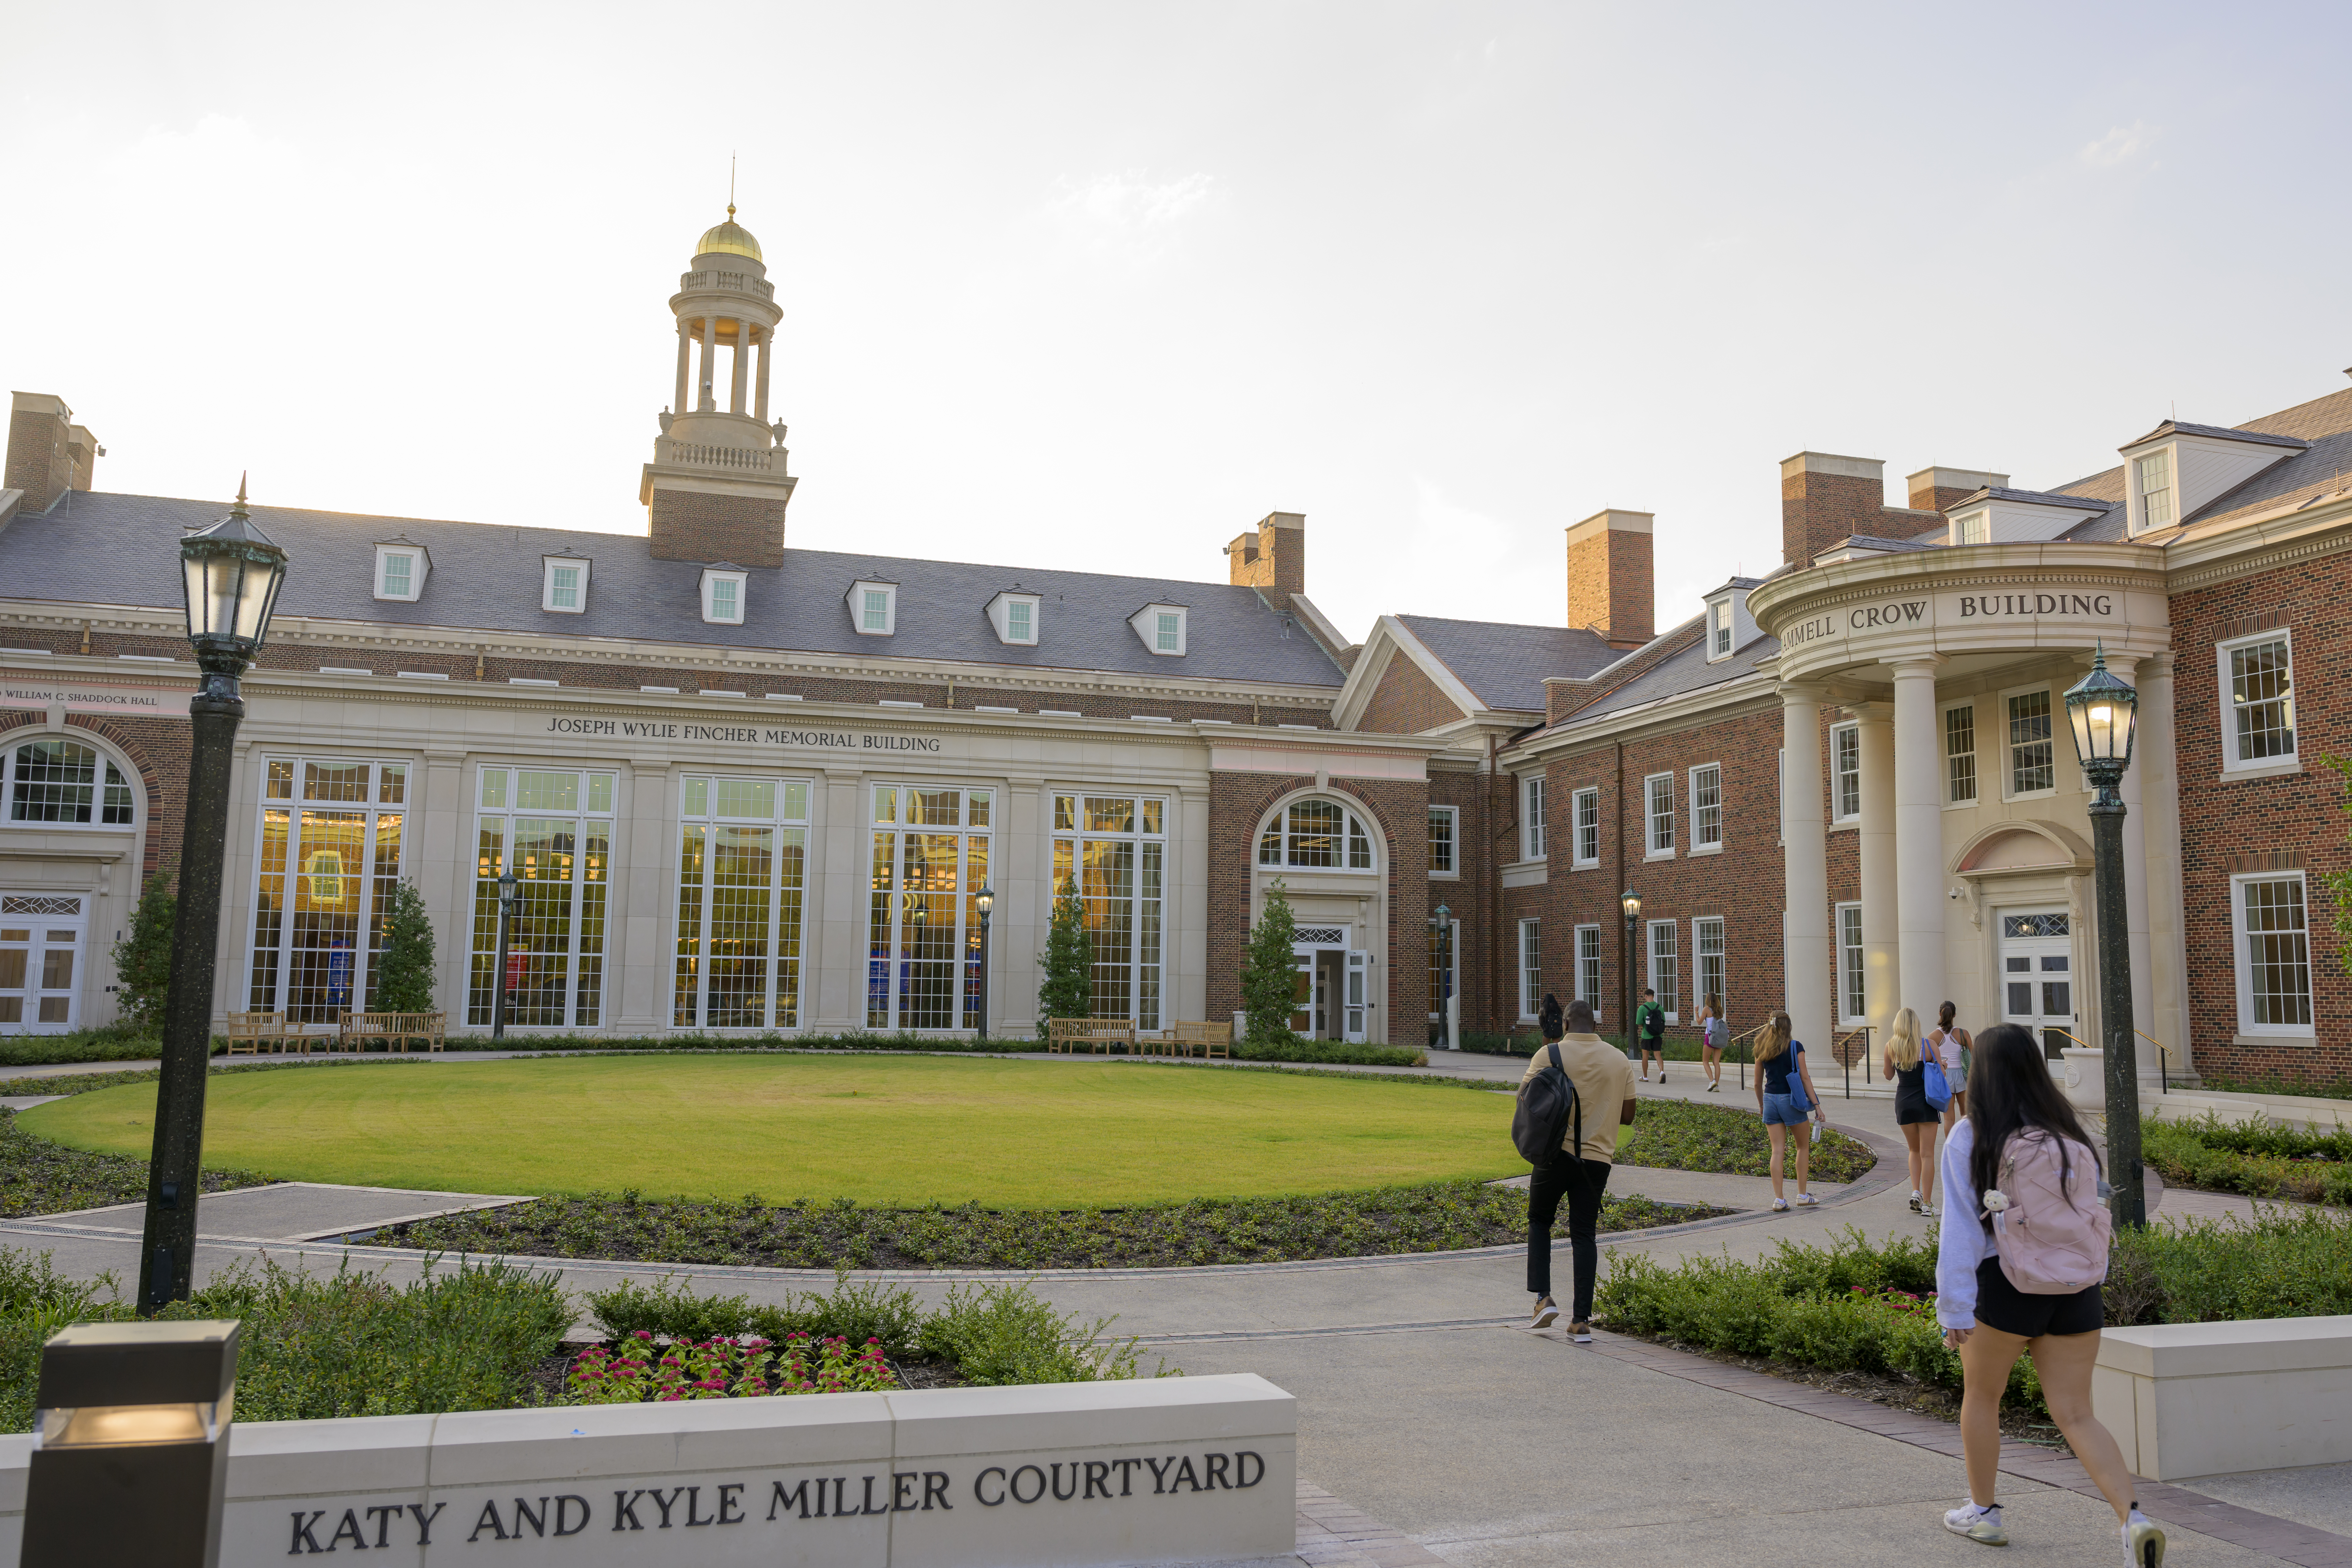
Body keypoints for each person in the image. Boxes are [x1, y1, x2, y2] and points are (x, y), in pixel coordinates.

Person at [1936, 1023, 2164, 1566]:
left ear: (1982, 1071)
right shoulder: (2070, 1134)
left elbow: (1962, 1230)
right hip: (2075, 1289)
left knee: (1982, 1396)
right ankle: (2133, 1517)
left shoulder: (1972, 1134)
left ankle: (1984, 1510)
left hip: (2007, 1287)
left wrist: (1954, 1306)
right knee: (2076, 1412)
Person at [1522, 993, 1637, 1343]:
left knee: (1540, 1220)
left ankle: (1543, 1299)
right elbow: (1628, 1116)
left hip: (1555, 1154)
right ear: (1597, 1025)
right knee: (1584, 1233)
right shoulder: (1619, 1060)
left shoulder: (1550, 1054)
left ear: (1566, 1024)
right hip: (1597, 1160)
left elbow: (1524, 1099)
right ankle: (1581, 1320)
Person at [1752, 1010, 1826, 1210]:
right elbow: (1805, 1078)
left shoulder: (1761, 1046)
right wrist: (1817, 1105)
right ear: (1789, 1027)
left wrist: (1761, 1104)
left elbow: (1758, 1083)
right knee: (1802, 1147)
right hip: (1790, 1100)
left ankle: (1779, 1199)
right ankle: (1802, 1195)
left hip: (1770, 1099)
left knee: (1777, 1151)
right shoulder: (1795, 1046)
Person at [1885, 1005, 1943, 1215]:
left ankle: (1916, 1191)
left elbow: (1888, 1075)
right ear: (1916, 1024)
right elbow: (1941, 1076)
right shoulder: (1929, 1045)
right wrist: (1941, 1065)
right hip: (1925, 1102)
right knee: (1928, 1154)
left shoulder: (1891, 1046)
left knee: (1913, 1150)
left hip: (1904, 1102)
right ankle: (1927, 1203)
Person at [1930, 1000, 1975, 1124]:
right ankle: (1967, 1142)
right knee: (1966, 1115)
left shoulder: (1933, 1036)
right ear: (1955, 1015)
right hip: (1961, 1075)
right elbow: (1975, 1055)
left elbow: (1929, 1059)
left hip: (1944, 1075)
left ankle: (1950, 1143)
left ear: (1940, 1014)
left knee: (1949, 1118)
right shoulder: (1963, 1033)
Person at [1633, 987, 1666, 1083]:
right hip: (1658, 1036)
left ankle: (1645, 1077)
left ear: (1646, 996)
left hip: (1646, 1036)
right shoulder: (1660, 1007)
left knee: (1645, 1056)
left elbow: (1639, 1023)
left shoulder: (1642, 1008)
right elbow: (1663, 1021)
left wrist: (1645, 1026)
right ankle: (1662, 1072)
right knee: (1658, 1055)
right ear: (1653, 996)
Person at [1697, 992, 1725, 1092]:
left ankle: (1712, 1081)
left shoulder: (1706, 1009)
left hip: (1710, 1037)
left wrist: (1696, 1012)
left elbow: (1699, 1022)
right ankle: (1716, 1086)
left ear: (1708, 1000)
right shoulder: (1720, 1010)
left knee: (1705, 1061)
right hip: (1719, 1037)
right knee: (1716, 1062)